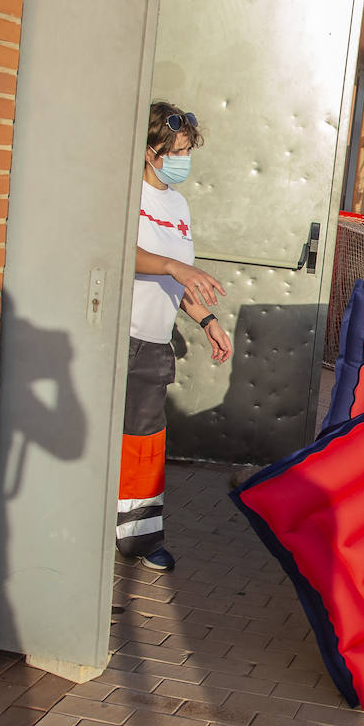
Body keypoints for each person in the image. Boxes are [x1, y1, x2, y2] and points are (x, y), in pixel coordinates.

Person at [118, 102, 232, 571]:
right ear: (150, 152)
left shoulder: (178, 205)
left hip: (151, 342)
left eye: (187, 151)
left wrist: (207, 320)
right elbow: (121, 251)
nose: (183, 159)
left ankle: (139, 541)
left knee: (144, 444)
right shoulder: (127, 195)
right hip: (115, 337)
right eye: (176, 151)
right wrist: (172, 264)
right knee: (104, 442)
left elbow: (177, 280)